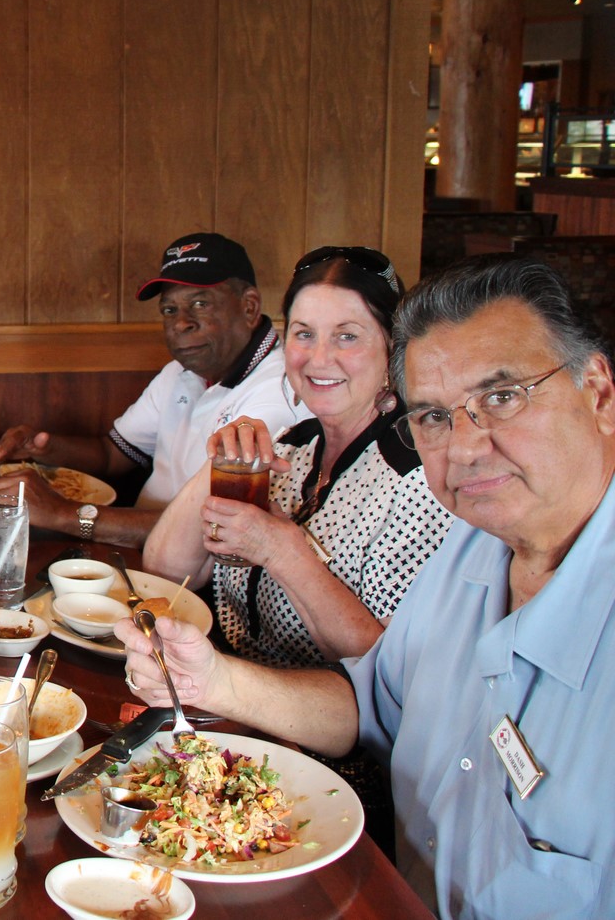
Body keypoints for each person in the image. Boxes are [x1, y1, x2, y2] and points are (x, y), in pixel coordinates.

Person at [117, 254, 615, 919]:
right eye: (434, 414)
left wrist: (283, 549)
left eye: (502, 395)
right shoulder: (471, 547)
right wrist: (209, 679)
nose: (464, 446)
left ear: (599, 392)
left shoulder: (428, 500)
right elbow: (370, 702)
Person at [143, 246, 452, 666]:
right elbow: (166, 571)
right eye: (304, 334)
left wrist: (283, 552)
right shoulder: (293, 445)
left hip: (318, 723)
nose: (319, 359)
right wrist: (220, 459)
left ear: (392, 350)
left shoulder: (421, 478)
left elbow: (383, 668)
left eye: (347, 336)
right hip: (224, 687)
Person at [0, 232, 309, 546]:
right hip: (134, 550)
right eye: (170, 310)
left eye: (200, 304)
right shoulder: (180, 373)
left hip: (204, 584)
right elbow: (112, 455)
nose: (181, 323)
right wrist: (42, 448)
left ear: (249, 307)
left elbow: (214, 530)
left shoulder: (278, 392)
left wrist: (64, 515)